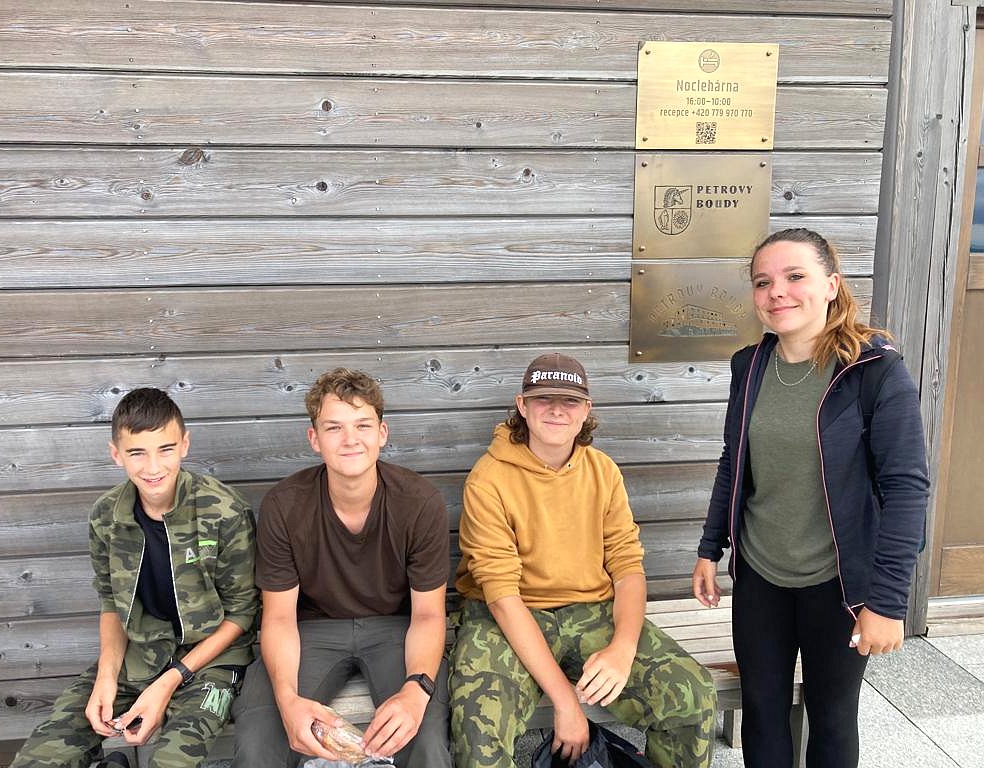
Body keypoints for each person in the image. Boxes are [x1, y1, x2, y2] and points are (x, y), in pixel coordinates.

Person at [693, 228, 930, 768]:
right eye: (763, 282)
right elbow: (734, 460)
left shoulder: (874, 372)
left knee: (831, 716)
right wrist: (711, 547)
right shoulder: (749, 365)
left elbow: (907, 489)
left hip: (838, 584)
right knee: (762, 710)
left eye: (795, 276)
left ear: (831, 285)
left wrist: (887, 603)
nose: (776, 291)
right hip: (761, 575)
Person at [450, 352, 717, 768]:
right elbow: (501, 596)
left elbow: (627, 567)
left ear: (586, 410)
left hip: (592, 611)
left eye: (570, 401)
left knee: (693, 695)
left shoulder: (603, 471)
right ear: (522, 405)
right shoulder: (489, 479)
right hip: (508, 615)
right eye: (544, 399)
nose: (557, 410)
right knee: (477, 726)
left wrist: (623, 649)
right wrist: (566, 702)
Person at [11, 388, 259, 768]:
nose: (153, 467)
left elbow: (242, 613)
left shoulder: (224, 512)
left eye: (165, 449)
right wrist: (106, 676)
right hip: (140, 652)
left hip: (214, 661)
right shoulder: (106, 516)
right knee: (40, 757)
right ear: (116, 454)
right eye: (137, 452)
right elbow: (111, 602)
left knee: (172, 761)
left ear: (185, 445)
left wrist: (169, 682)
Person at [231, 368, 451, 767]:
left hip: (396, 629)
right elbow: (278, 617)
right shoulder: (285, 505)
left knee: (426, 740)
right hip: (310, 631)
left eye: (362, 425)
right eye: (334, 427)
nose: (350, 439)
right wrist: (288, 700)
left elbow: (429, 614)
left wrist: (416, 689)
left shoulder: (419, 502)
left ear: (382, 433)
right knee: (259, 739)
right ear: (314, 438)